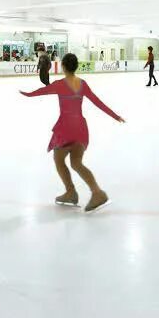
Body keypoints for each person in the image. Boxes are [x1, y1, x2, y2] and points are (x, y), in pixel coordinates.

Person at [19, 53, 124, 212]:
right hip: (80, 127)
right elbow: (98, 102)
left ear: (63, 67)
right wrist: (115, 116)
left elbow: (42, 91)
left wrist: (27, 94)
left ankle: (70, 192)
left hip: (66, 127)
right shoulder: (83, 84)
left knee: (58, 158)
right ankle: (97, 192)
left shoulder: (60, 84)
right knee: (76, 162)